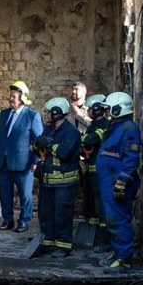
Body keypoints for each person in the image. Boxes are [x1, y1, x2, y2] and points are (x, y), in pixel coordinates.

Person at [97, 92, 143, 274]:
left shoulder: (129, 128)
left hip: (117, 182)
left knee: (118, 218)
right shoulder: (115, 126)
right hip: (109, 181)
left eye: (109, 108)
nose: (107, 112)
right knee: (111, 217)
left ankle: (124, 259)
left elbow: (131, 158)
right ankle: (117, 251)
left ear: (117, 108)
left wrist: (122, 182)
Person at [32, 97, 82, 258]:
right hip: (47, 181)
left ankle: (63, 246)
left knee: (63, 215)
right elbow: (38, 147)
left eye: (48, 112)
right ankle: (47, 243)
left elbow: (64, 153)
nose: (45, 114)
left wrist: (48, 144)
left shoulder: (71, 132)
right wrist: (37, 145)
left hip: (64, 183)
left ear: (58, 113)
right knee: (45, 214)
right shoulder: (49, 129)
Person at [0, 80, 43, 233]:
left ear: (22, 98)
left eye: (13, 96)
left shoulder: (32, 115)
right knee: (4, 193)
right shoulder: (4, 114)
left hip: (24, 163)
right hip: (4, 162)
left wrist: (36, 160)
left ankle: (24, 221)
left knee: (25, 195)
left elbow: (39, 140)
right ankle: (7, 220)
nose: (11, 99)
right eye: (10, 96)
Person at [80, 94, 111, 251]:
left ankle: (104, 240)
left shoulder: (105, 125)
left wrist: (81, 139)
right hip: (90, 173)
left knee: (101, 208)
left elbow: (90, 140)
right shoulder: (93, 125)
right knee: (90, 206)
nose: (87, 110)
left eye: (90, 108)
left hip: (100, 175)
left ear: (98, 109)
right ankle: (92, 237)